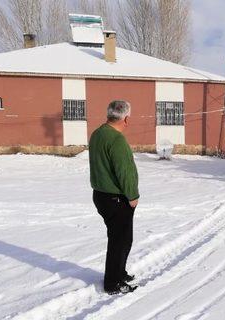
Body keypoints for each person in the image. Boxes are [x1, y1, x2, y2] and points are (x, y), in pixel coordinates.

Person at [89, 100, 139, 295]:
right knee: (120, 240)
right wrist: (132, 196)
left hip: (100, 195)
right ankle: (112, 283)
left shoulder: (98, 133)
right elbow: (124, 171)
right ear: (126, 118)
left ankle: (120, 272)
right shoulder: (116, 140)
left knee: (123, 238)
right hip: (116, 198)